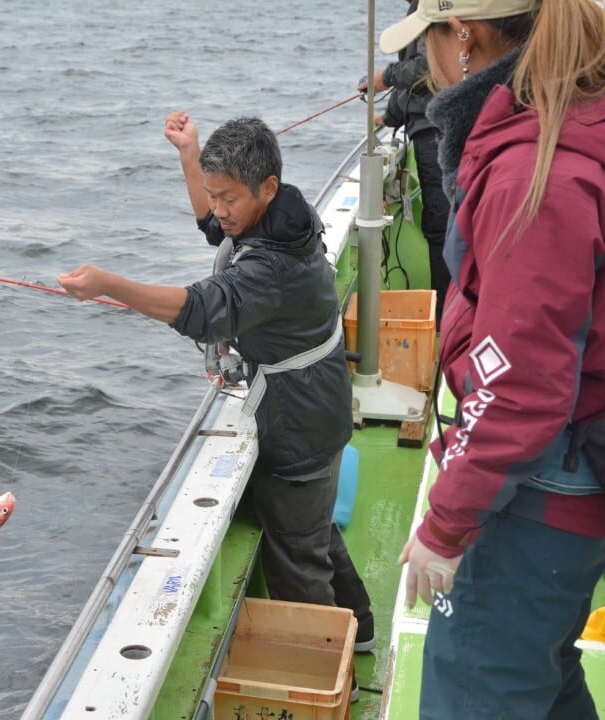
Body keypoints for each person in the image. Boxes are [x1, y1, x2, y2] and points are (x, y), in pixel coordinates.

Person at [379, 1, 605, 718]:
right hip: (568, 477)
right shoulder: (557, 139)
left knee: (479, 689)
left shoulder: (533, 173)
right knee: (541, 676)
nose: (422, 62)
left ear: (463, 35)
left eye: (426, 38)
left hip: (536, 492)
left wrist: (446, 526)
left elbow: (519, 382)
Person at [58, 112, 376, 671]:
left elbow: (202, 311)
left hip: (299, 422)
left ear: (265, 187)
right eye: (214, 194)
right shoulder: (280, 213)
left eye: (228, 197)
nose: (219, 210)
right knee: (314, 530)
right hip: (318, 404)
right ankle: (363, 631)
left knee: (298, 558)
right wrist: (190, 151)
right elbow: (213, 224)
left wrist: (109, 285)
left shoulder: (273, 266)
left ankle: (324, 671)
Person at [359, 0, 451, 326]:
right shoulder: (419, 8)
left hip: (437, 132)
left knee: (443, 229)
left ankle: (447, 322)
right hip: (427, 128)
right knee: (441, 227)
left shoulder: (432, 8)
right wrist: (390, 115)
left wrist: (386, 76)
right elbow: (416, 80)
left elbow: (429, 67)